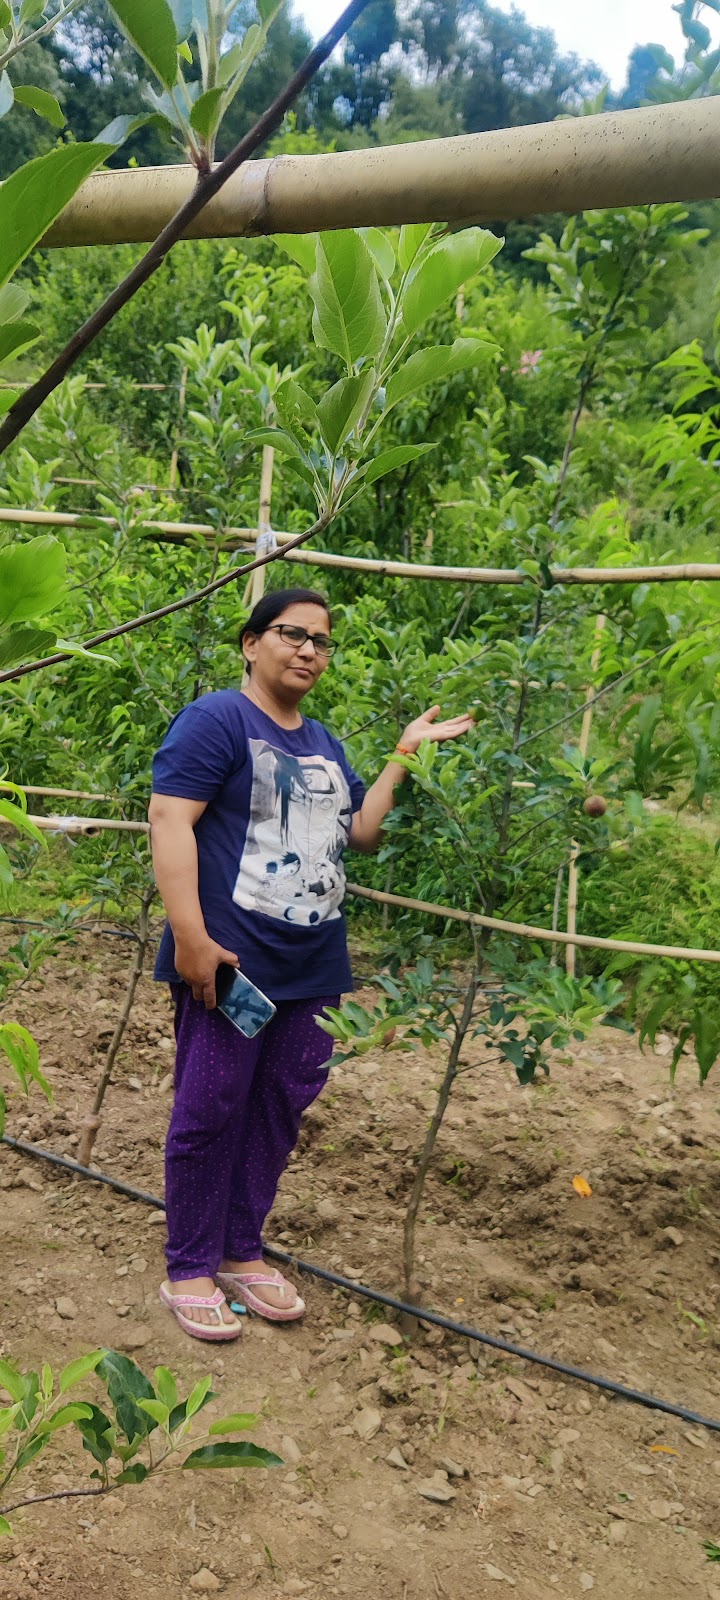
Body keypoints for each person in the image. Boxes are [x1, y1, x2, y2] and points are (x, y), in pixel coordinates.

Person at [149, 587, 474, 1341]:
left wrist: (404, 752)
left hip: (313, 962)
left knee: (279, 1107)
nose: (308, 650)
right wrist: (190, 937)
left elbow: (360, 832)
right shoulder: (217, 720)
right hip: (235, 958)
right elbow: (170, 818)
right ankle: (189, 1265)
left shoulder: (321, 740)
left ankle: (239, 1249)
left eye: (321, 642)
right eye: (292, 634)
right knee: (212, 1104)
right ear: (251, 643)